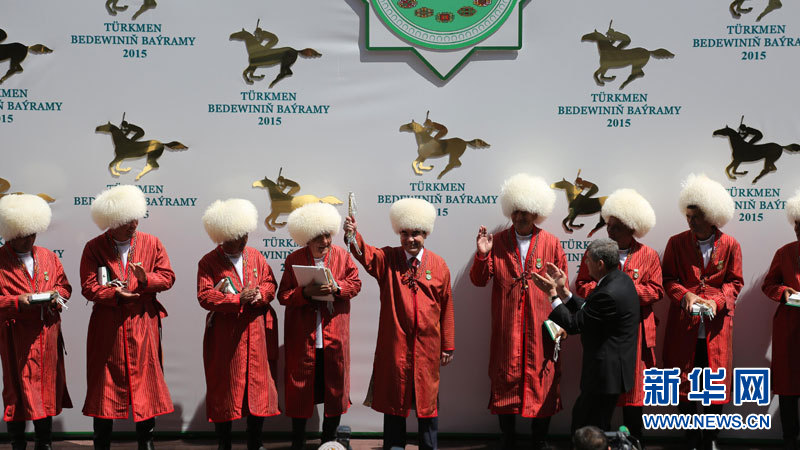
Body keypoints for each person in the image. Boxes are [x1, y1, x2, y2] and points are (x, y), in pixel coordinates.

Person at [343, 198, 454, 450]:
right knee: (395, 400)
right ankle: (394, 447)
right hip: (396, 347)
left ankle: (429, 446)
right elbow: (364, 253)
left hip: (428, 348)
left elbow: (447, 306)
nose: (410, 239)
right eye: (405, 233)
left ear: (426, 233)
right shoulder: (388, 258)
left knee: (427, 404)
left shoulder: (439, 265)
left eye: (416, 233)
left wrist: (448, 344)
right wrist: (353, 234)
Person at [469, 173, 566, 449]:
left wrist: (560, 302)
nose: (520, 216)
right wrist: (482, 255)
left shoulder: (552, 242)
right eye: (516, 211)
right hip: (507, 327)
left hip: (542, 325)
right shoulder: (497, 241)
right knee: (506, 378)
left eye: (526, 211)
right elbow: (479, 280)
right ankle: (508, 437)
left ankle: (540, 439)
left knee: (543, 377)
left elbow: (563, 287)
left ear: (536, 212)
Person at [79, 185, 175, 450]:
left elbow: (168, 277)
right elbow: (88, 286)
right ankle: (102, 443)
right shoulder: (94, 247)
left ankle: (146, 442)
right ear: (111, 222)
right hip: (107, 325)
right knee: (104, 385)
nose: (133, 225)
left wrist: (146, 280)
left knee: (147, 383)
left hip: (143, 322)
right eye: (126, 221)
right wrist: (114, 294)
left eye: (135, 218)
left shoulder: (152, 243)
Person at [661, 173, 742, 450]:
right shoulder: (675, 243)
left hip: (716, 329)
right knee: (683, 381)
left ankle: (711, 438)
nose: (691, 221)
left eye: (696, 216)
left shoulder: (730, 244)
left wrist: (717, 301)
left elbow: (735, 282)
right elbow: (667, 279)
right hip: (684, 325)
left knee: (714, 383)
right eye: (688, 216)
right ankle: (691, 437)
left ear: (712, 216)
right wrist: (684, 295)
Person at [575, 189, 663, 442]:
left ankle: (634, 441)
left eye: (617, 227)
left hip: (636, 334)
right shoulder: (596, 251)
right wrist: (606, 294)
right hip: (603, 334)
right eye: (609, 225)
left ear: (632, 228)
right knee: (602, 394)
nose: (610, 231)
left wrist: (624, 293)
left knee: (635, 394)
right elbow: (582, 284)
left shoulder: (648, 255)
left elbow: (656, 290)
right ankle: (599, 442)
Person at [532, 238, 640, 432]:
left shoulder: (608, 292)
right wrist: (564, 292)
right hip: (611, 372)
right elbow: (591, 310)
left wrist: (552, 295)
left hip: (604, 376)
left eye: (588, 260)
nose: (585, 264)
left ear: (600, 264)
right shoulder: (620, 280)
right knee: (596, 424)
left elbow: (574, 325)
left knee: (586, 427)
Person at [197, 198, 279, 450]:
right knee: (225, 387)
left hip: (256, 331)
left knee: (258, 386)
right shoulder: (208, 262)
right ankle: (224, 443)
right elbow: (204, 296)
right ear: (222, 237)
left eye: (245, 235)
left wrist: (260, 295)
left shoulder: (256, 256)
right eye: (236, 237)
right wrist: (235, 299)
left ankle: (255, 441)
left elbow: (270, 283)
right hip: (226, 335)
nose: (243, 241)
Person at [279, 203, 362, 449]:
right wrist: (305, 293)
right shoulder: (294, 259)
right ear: (307, 238)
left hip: (333, 336)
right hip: (303, 337)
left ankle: (329, 441)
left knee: (334, 389)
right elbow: (283, 295)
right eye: (318, 237)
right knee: (300, 390)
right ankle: (297, 442)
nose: (324, 241)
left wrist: (337, 288)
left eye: (327, 235)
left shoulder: (343, 256)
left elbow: (355, 284)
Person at [0, 194, 71, 450]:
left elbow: (64, 287)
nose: (30, 239)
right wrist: (17, 302)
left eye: (33, 233)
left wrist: (56, 297)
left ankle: (44, 443)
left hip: (47, 334)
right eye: (23, 234)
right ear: (10, 233)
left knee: (46, 389)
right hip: (15, 337)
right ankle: (18, 443)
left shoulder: (49, 256)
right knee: (17, 391)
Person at [762, 189, 800, 450]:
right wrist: (784, 292)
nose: (797, 229)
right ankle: (789, 439)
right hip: (789, 327)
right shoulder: (785, 253)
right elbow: (769, 284)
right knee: (787, 387)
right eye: (796, 224)